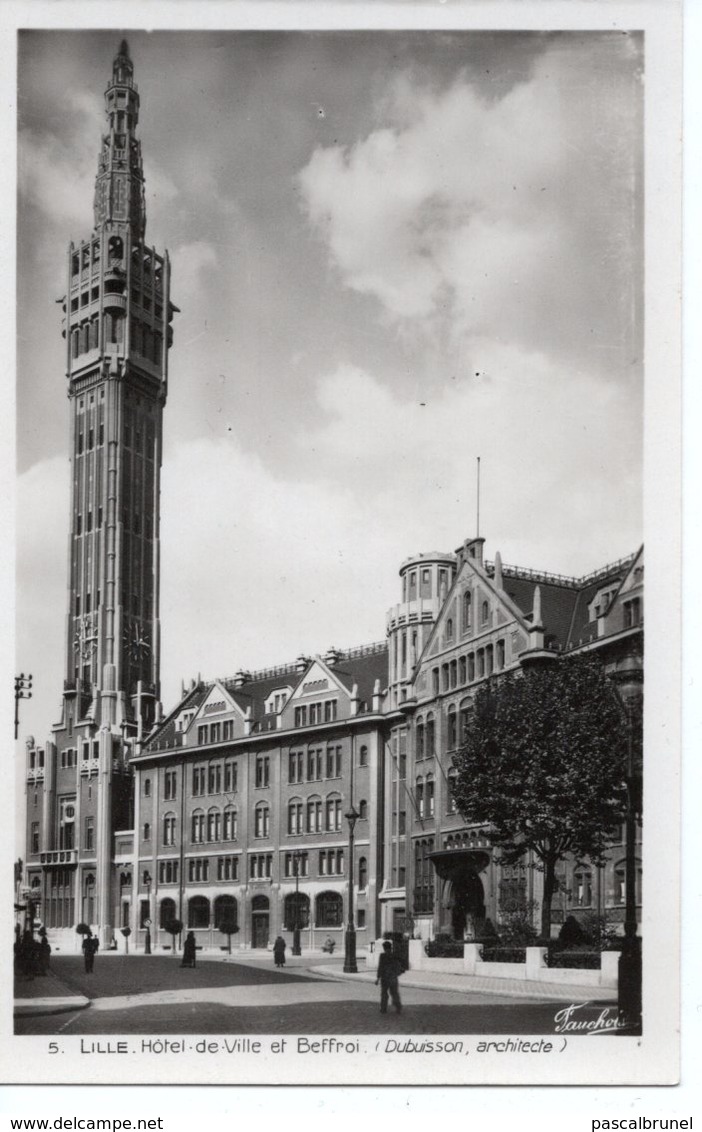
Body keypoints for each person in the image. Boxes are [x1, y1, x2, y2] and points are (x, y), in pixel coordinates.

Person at [375, 940, 402, 1014]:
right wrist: (396, 974)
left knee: (384, 993)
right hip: (393, 977)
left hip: (385, 978)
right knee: (394, 993)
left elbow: (380, 967)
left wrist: (378, 978)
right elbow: (398, 966)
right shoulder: (394, 955)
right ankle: (398, 1006)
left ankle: (383, 1008)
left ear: (384, 948)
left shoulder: (382, 956)